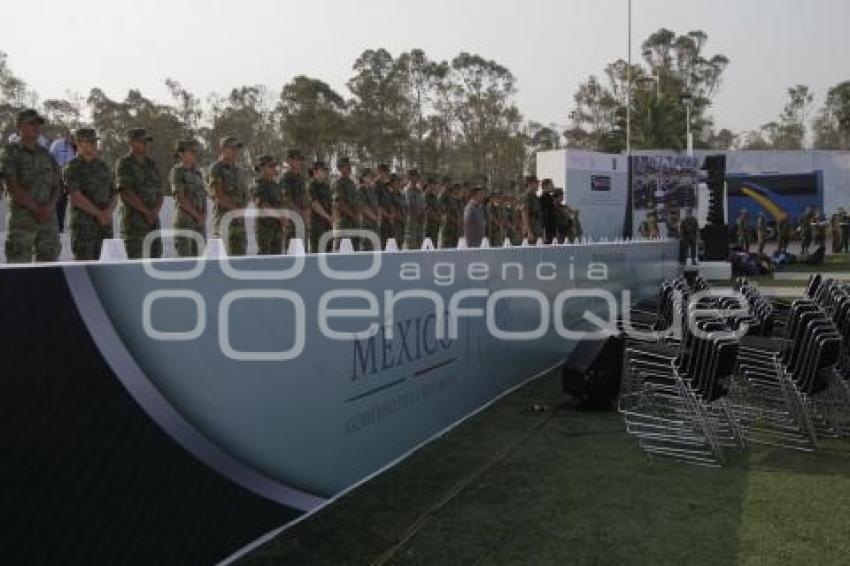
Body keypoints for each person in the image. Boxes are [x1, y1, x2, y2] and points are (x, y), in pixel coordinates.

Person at [1, 109, 62, 263]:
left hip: (48, 220)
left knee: (49, 267)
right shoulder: (10, 152)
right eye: (31, 123)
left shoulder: (47, 155)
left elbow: (57, 186)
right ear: (19, 127)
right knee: (19, 268)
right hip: (22, 220)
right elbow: (12, 186)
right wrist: (36, 208)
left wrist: (49, 207)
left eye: (38, 124)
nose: (36, 127)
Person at [64, 128, 117, 260]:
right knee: (85, 268)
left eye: (95, 141)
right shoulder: (72, 167)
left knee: (107, 265)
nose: (94, 144)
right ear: (78, 143)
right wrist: (99, 214)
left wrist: (108, 212)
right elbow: (76, 197)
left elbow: (114, 193)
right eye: (90, 141)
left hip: (105, 227)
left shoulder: (103, 166)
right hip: (84, 228)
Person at [115, 128, 163, 259]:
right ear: (131, 143)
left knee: (155, 262)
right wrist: (146, 211)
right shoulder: (124, 163)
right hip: (134, 224)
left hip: (153, 223)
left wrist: (154, 212)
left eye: (147, 141)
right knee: (136, 263)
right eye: (141, 141)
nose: (145, 144)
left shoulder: (151, 164)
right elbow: (125, 192)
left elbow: (159, 191)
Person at [209, 136, 248, 256]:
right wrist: (235, 210)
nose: (236, 151)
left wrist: (242, 210)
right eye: (232, 148)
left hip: (239, 223)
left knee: (240, 259)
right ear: (223, 149)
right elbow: (218, 194)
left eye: (237, 148)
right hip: (224, 221)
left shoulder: (238, 170)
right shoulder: (217, 168)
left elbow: (245, 195)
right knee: (224, 259)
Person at [170, 140, 207, 257]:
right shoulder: (177, 171)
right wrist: (197, 215)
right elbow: (180, 198)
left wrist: (204, 214)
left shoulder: (198, 173)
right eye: (192, 151)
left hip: (199, 224)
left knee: (201, 261)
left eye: (195, 151)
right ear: (181, 154)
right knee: (186, 263)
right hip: (184, 223)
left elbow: (203, 195)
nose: (195, 154)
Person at [252, 155, 286, 255]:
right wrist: (280, 217)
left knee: (277, 258)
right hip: (265, 228)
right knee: (265, 259)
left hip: (277, 227)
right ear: (261, 167)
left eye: (274, 166)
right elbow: (262, 204)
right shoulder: (258, 185)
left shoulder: (276, 185)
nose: (274, 168)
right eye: (270, 166)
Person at [281, 149, 309, 250]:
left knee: (303, 250)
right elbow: (287, 200)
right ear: (289, 160)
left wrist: (306, 214)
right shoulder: (286, 178)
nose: (299, 162)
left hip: (303, 220)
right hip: (292, 219)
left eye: (301, 160)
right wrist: (300, 213)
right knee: (292, 251)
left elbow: (305, 198)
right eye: (296, 159)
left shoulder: (301, 178)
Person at [49, 131, 76, 232]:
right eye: (72, 137)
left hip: (69, 179)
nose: (73, 140)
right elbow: (50, 159)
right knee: (56, 202)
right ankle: (54, 228)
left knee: (63, 205)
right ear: (68, 136)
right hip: (56, 177)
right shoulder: (57, 144)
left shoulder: (76, 149)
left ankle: (60, 229)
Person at [332, 156, 359, 252]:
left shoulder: (352, 183)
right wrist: (352, 214)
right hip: (343, 222)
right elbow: (339, 204)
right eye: (347, 166)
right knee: (341, 249)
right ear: (341, 168)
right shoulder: (338, 184)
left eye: (349, 166)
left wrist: (356, 215)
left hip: (353, 222)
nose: (350, 168)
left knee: (354, 248)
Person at [308, 161, 333, 253]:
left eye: (325, 170)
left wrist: (332, 218)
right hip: (317, 224)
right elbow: (314, 204)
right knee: (318, 250)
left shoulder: (326, 186)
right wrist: (328, 217)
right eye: (322, 170)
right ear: (315, 172)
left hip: (327, 224)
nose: (325, 172)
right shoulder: (312, 186)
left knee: (328, 249)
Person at [359, 168, 380, 251]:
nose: (371, 178)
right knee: (367, 250)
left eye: (372, 176)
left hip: (374, 225)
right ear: (363, 177)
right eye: (369, 176)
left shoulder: (372, 191)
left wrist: (378, 217)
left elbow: (376, 205)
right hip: (366, 225)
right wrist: (374, 217)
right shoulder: (361, 190)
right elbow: (362, 207)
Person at [403, 169, 425, 250]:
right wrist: (417, 214)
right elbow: (409, 207)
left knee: (420, 244)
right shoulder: (407, 190)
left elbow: (422, 205)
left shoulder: (419, 191)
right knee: (411, 246)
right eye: (415, 177)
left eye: (417, 177)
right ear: (410, 177)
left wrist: (422, 216)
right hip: (411, 222)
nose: (416, 179)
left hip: (419, 222)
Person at [437, 179, 459, 249]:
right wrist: (452, 219)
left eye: (449, 184)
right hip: (446, 227)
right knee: (445, 247)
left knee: (453, 247)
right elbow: (442, 210)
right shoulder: (442, 196)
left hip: (453, 227)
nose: (448, 186)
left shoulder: (451, 197)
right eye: (446, 185)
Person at [521, 175, 542, 243]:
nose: (538, 185)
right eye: (536, 183)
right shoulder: (527, 197)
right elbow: (525, 214)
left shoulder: (535, 197)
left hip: (537, 229)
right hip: (532, 230)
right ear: (530, 184)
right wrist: (529, 231)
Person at [539, 179, 557, 243]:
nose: (553, 186)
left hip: (552, 229)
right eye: (551, 184)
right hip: (547, 231)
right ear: (545, 186)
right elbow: (543, 216)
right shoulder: (543, 198)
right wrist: (544, 233)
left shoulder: (550, 198)